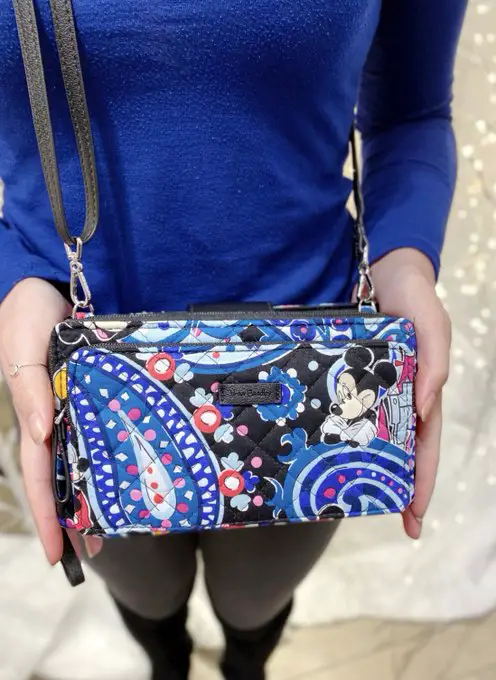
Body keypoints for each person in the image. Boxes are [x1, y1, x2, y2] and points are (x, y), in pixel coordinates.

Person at [0, 1, 466, 679]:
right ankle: (168, 661)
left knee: (253, 604)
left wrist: (404, 262)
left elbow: (410, 111)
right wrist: (16, 277)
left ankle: (244, 665)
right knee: (149, 597)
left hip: (313, 369)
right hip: (84, 370)